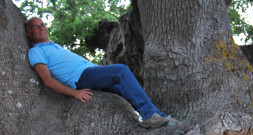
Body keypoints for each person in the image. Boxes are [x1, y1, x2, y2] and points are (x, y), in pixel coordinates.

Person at [26, 17, 180, 129]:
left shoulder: (54, 46)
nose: (41, 28)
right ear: (29, 34)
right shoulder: (36, 51)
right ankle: (149, 116)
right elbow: (47, 80)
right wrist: (74, 93)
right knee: (121, 71)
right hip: (81, 77)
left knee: (122, 89)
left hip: (90, 72)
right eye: (35, 26)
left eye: (43, 24)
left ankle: (160, 119)